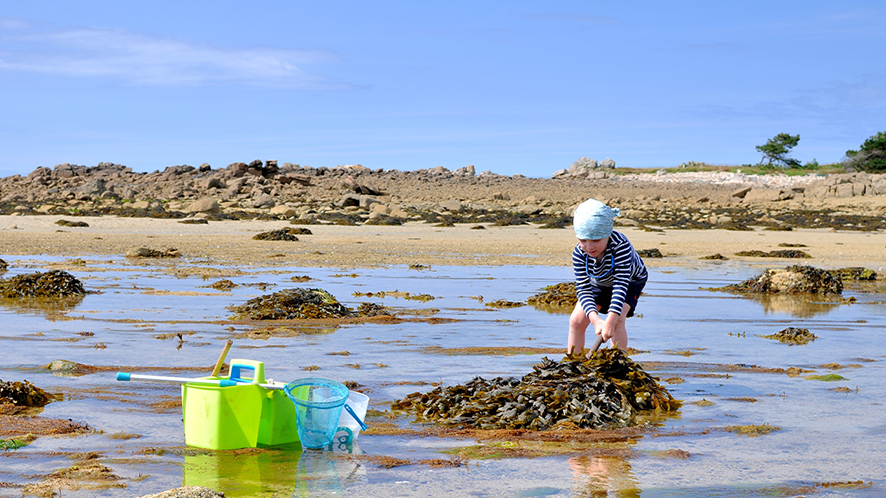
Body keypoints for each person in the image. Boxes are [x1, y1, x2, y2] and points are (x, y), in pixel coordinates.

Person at [568, 198, 647, 354]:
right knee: (576, 321)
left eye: (596, 240)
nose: (589, 247)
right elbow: (584, 289)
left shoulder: (620, 246)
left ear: (608, 234)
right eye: (583, 240)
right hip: (599, 281)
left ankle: (619, 362)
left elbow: (620, 285)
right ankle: (574, 362)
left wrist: (609, 321)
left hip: (630, 281)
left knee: (617, 320)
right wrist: (596, 320)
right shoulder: (579, 253)